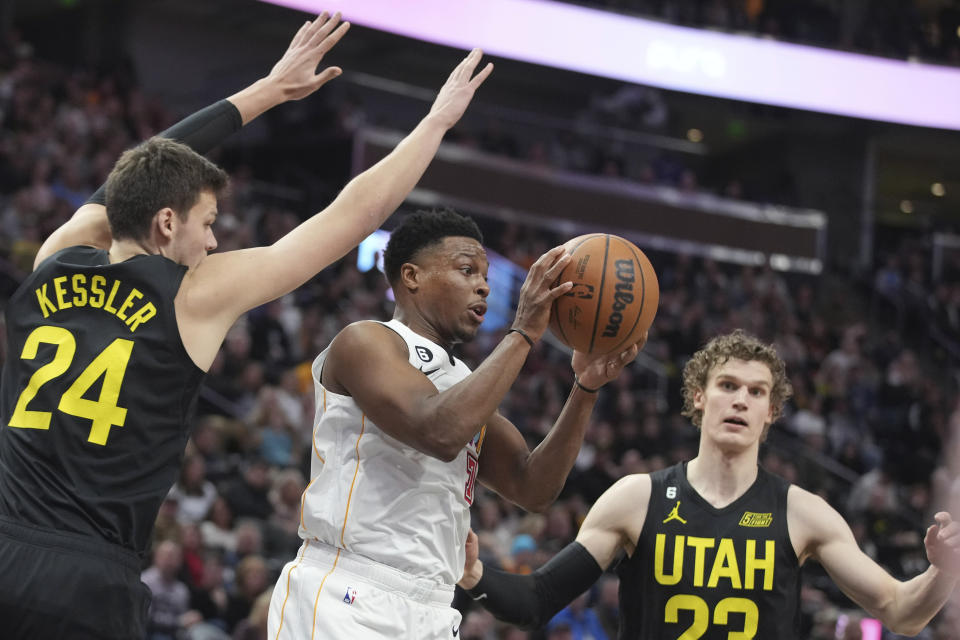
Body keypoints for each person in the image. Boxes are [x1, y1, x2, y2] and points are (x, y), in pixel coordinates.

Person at [0, 12, 493, 639]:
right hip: (86, 578)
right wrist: (434, 125)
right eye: (207, 223)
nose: (213, 241)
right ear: (168, 223)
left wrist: (266, 90)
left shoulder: (52, 259)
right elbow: (352, 214)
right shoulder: (193, 296)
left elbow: (132, 177)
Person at [267, 208, 646, 639]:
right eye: (467, 270)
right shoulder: (366, 341)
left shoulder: (465, 382)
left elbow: (533, 487)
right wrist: (522, 332)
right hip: (351, 590)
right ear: (412, 277)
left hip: (433, 603)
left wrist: (585, 387)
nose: (483, 284)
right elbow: (439, 432)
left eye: (484, 274)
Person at [459, 330, 960, 638]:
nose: (740, 400)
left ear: (772, 413)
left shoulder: (804, 513)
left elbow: (901, 612)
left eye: (756, 392)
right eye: (727, 386)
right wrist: (476, 575)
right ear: (698, 398)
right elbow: (537, 600)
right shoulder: (638, 498)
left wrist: (942, 572)